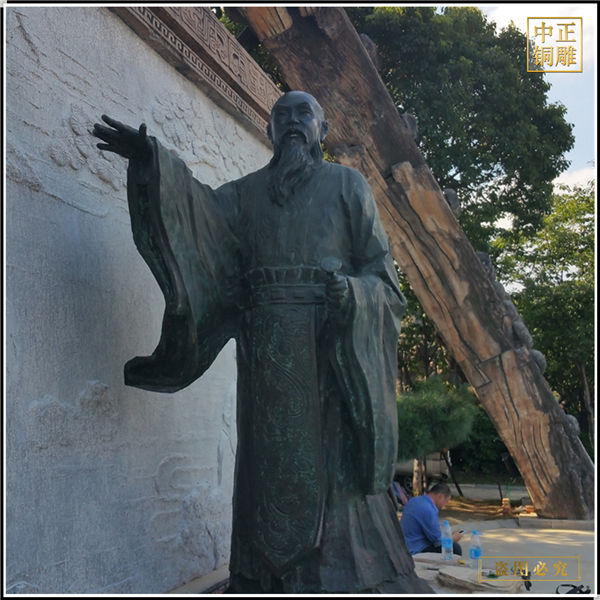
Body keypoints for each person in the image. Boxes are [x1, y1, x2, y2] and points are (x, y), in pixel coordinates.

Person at [93, 91, 432, 594]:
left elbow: (383, 280)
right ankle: (260, 577)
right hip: (264, 355)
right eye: (282, 115)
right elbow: (198, 217)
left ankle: (345, 576)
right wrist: (152, 162)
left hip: (330, 353)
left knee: (334, 474)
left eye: (304, 114)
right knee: (263, 466)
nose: (292, 122)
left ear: (322, 130)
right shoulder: (244, 194)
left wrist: (354, 296)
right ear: (270, 129)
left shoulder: (347, 186)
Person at [400, 482, 463, 555]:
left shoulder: (415, 500)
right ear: (441, 497)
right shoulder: (429, 510)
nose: (445, 505)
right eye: (446, 501)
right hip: (416, 549)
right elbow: (439, 541)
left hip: (406, 544)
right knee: (455, 548)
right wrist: (454, 538)